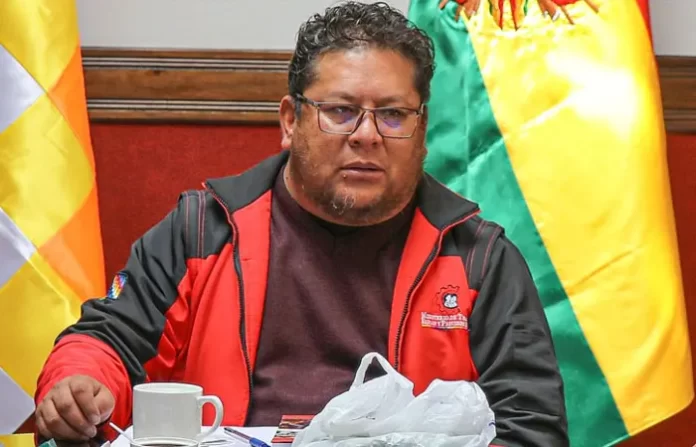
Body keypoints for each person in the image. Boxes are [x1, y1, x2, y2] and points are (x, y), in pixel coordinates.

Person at [34, 2, 569, 446]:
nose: (367, 135)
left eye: (392, 115)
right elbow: (109, 339)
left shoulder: (477, 258)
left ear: (422, 130)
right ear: (291, 121)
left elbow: (532, 427)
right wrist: (76, 383)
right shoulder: (202, 231)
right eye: (340, 111)